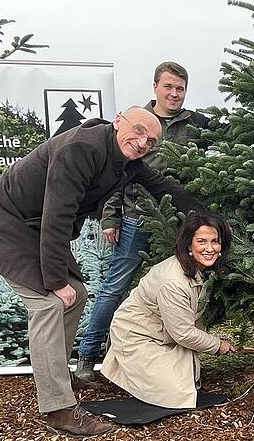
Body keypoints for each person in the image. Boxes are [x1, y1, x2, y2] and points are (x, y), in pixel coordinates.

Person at [0, 106, 202, 437]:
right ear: (118, 121)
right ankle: (59, 409)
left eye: (152, 140)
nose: (144, 141)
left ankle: (56, 377)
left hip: (32, 227)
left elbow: (162, 187)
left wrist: (206, 218)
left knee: (77, 297)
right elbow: (57, 215)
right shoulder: (80, 148)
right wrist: (56, 281)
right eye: (139, 131)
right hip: (2, 223)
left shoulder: (125, 161)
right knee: (49, 303)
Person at [76, 61, 211, 380]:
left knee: (178, 287)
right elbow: (113, 173)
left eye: (180, 88)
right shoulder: (137, 124)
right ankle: (87, 356)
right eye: (168, 87)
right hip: (138, 218)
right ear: (155, 88)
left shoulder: (196, 124)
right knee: (115, 286)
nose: (174, 93)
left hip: (180, 222)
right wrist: (111, 217)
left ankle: (169, 360)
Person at [101, 211, 236, 408]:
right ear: (189, 244)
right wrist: (218, 345)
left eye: (215, 241)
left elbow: (189, 320)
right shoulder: (173, 282)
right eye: (202, 241)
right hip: (138, 337)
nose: (210, 248)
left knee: (187, 380)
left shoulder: (195, 269)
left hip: (164, 335)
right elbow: (183, 332)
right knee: (177, 396)